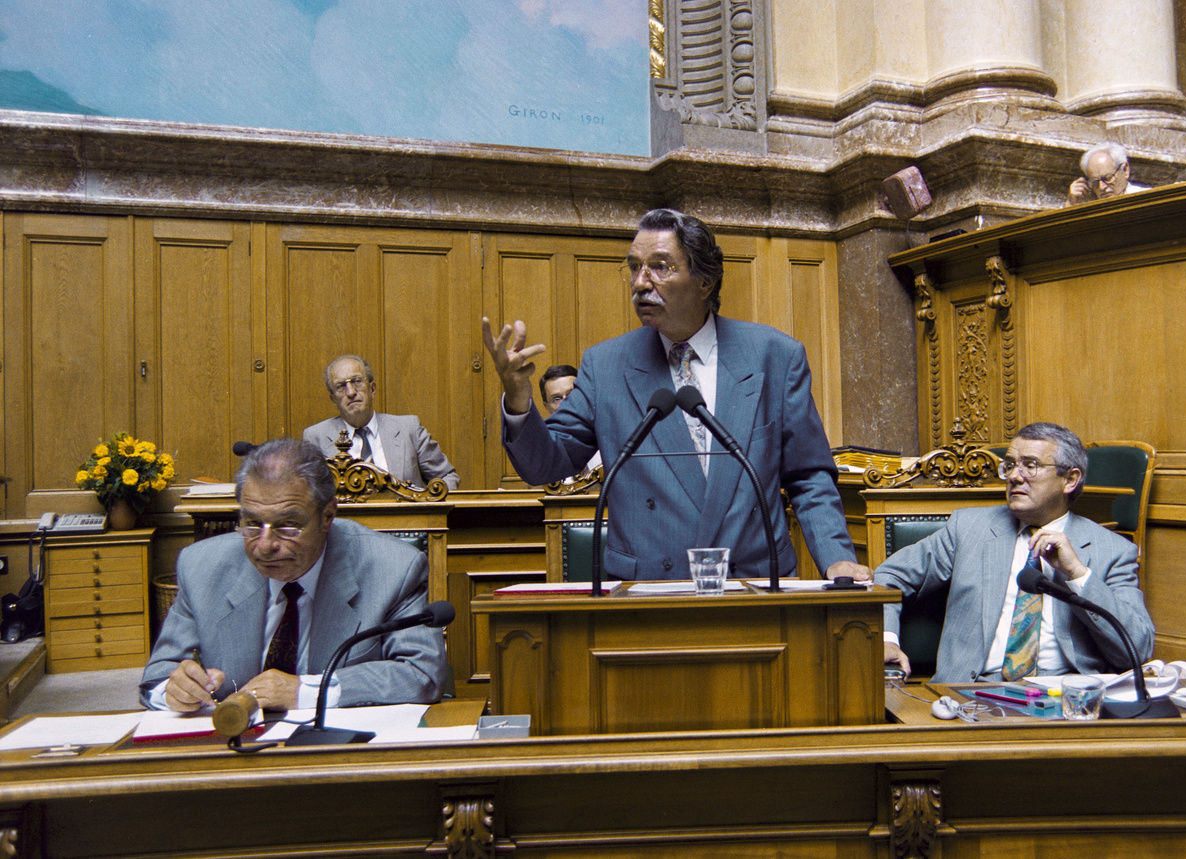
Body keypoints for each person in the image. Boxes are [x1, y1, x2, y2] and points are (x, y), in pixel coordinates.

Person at [482, 208, 871, 582]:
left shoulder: (774, 356)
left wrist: (836, 557)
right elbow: (547, 464)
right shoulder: (606, 365)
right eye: (635, 267)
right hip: (649, 595)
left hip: (753, 588)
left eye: (660, 266)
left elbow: (808, 476)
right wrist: (517, 398)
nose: (640, 283)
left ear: (705, 281)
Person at [140, 439, 451, 711]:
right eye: (251, 523)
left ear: (328, 516)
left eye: (288, 525)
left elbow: (421, 673)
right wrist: (174, 690)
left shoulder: (393, 567)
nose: (264, 545)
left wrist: (306, 692)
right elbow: (156, 677)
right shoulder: (201, 566)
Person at [874, 422, 1154, 683]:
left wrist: (1078, 575)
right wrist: (888, 638)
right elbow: (889, 576)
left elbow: (1137, 650)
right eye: (1009, 465)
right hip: (969, 694)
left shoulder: (1113, 550)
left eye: (1030, 465)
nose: (1014, 476)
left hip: (1065, 697)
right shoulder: (968, 529)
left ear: (1070, 479)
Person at [303, 354, 459, 491]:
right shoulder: (316, 437)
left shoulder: (408, 429)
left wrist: (428, 511)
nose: (350, 392)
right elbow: (310, 493)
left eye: (357, 381)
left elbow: (447, 476)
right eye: (341, 387)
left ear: (372, 389)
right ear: (333, 399)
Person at [540, 363, 602, 478]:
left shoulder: (609, 438)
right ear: (547, 406)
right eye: (556, 399)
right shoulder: (544, 450)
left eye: (571, 394)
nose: (566, 403)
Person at [1067, 142, 1149, 205]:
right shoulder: (1089, 207)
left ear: (1125, 170)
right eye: (1095, 182)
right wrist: (1070, 202)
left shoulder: (1146, 199)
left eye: (1108, 178)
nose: (1102, 187)